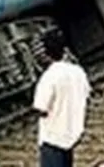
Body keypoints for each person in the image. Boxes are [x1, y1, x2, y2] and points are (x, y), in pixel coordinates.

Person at [33, 33, 91, 167]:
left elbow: (40, 108)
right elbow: (86, 94)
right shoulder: (78, 72)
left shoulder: (49, 76)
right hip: (72, 133)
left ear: (46, 55)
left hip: (52, 137)